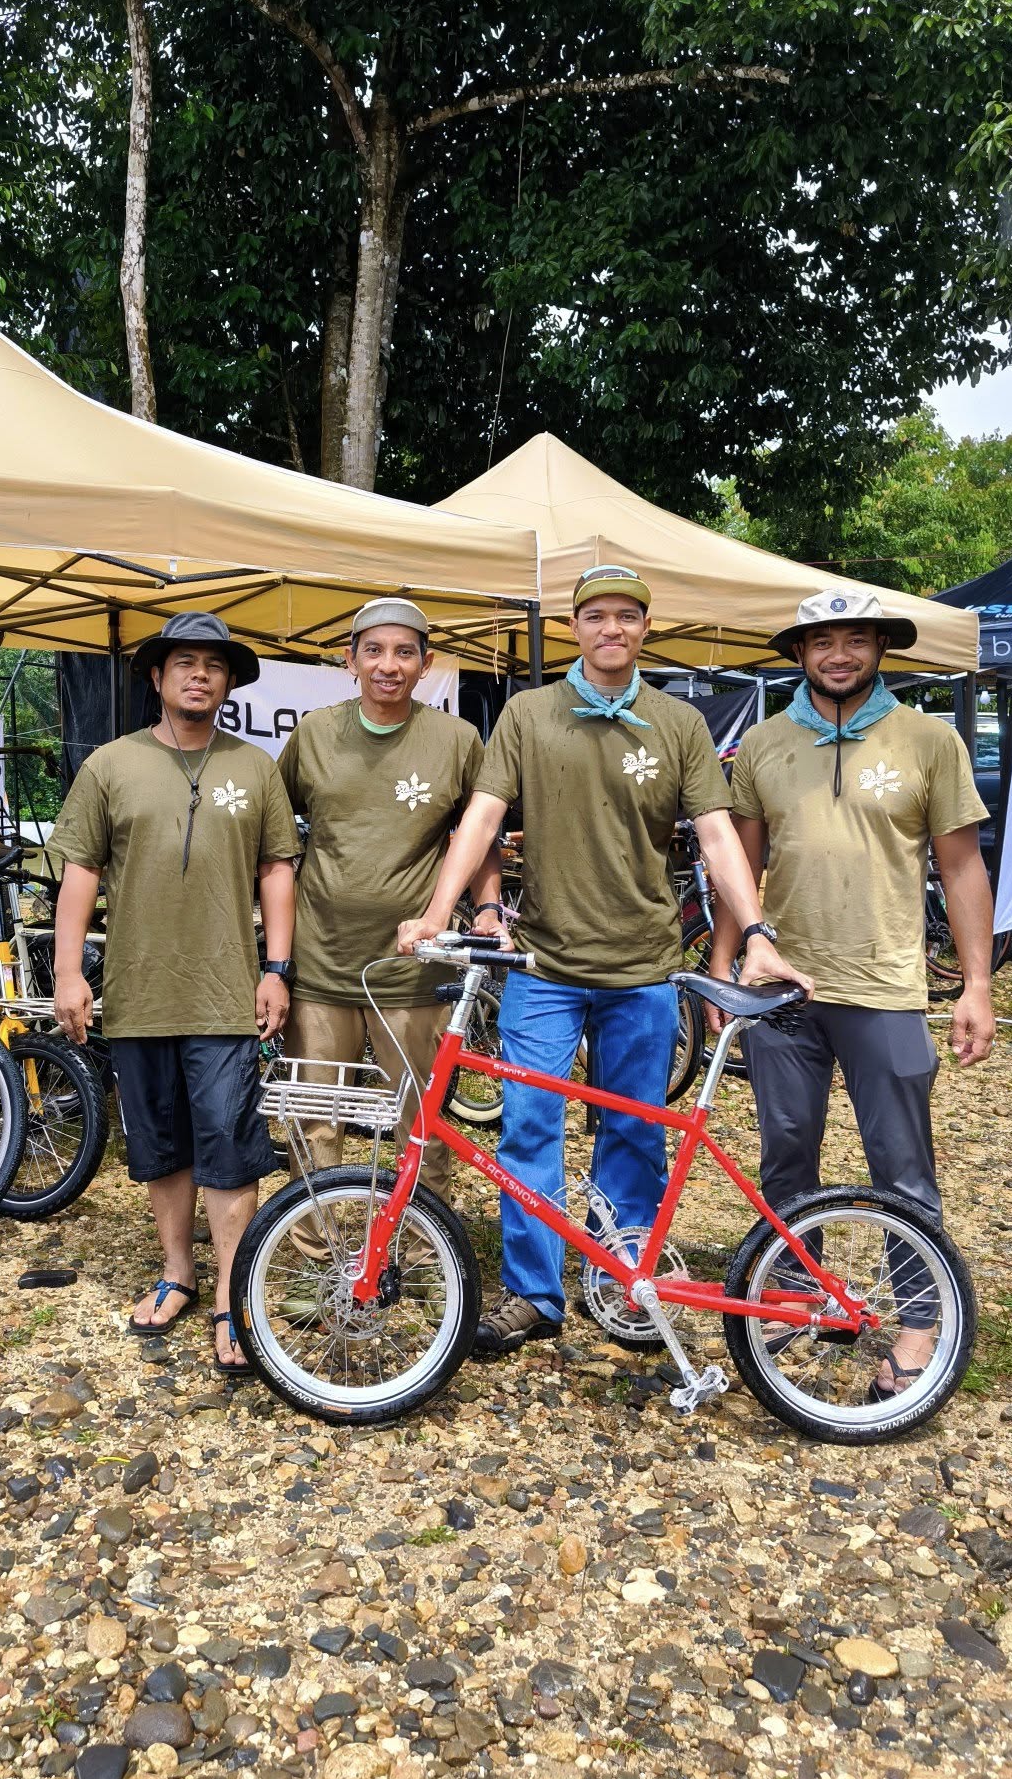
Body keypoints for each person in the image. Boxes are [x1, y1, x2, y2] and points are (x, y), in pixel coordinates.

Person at [400, 564, 809, 1355]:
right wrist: (433, 910)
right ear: (574, 627)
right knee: (526, 1130)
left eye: (627, 616)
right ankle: (533, 1292)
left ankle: (621, 1275)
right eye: (596, 616)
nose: (611, 629)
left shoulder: (678, 723)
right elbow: (481, 819)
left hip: (645, 966)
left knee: (632, 1132)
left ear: (645, 628)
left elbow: (719, 836)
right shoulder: (527, 713)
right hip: (543, 965)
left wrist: (755, 929)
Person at [708, 588, 994, 1399]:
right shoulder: (763, 744)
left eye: (856, 639)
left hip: (886, 983)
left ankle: (917, 1319)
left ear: (880, 648)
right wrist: (728, 964)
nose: (839, 654)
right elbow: (744, 869)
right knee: (787, 1155)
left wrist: (976, 984)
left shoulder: (929, 740)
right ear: (798, 653)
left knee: (901, 1167)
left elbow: (962, 864)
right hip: (781, 990)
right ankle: (799, 1294)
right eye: (822, 640)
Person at [49, 611, 300, 1374]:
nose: (199, 674)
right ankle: (178, 1272)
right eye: (183, 662)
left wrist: (276, 967)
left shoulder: (256, 768)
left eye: (213, 665)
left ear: (228, 683)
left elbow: (277, 870)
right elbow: (81, 871)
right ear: (157, 678)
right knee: (160, 1146)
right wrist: (67, 971)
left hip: (227, 991)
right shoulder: (109, 766)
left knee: (229, 1144)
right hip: (139, 988)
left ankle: (234, 1294)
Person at [276, 597, 502, 1200]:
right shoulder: (315, 735)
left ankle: (426, 1251)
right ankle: (309, 1257)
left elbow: (480, 837)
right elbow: (273, 834)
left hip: (413, 967)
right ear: (350, 660)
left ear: (426, 665)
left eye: (404, 652)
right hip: (321, 960)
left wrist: (484, 908)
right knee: (314, 1120)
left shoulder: (455, 740)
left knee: (417, 1121)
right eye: (373, 651)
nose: (388, 665)